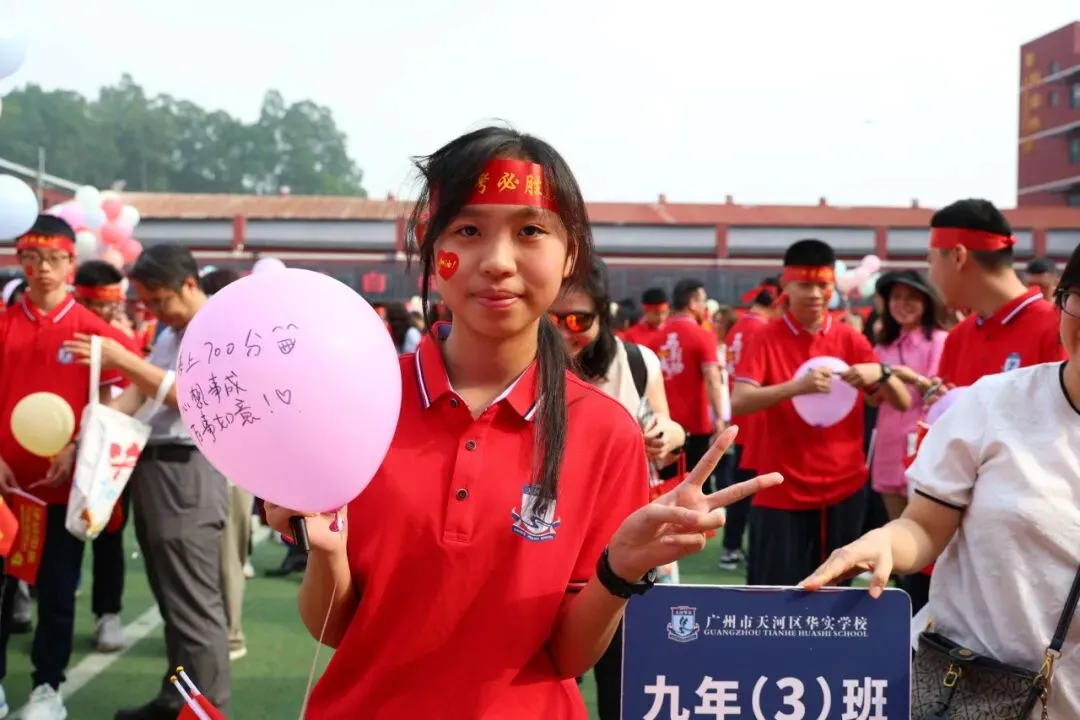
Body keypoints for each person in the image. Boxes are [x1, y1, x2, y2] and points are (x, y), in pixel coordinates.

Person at [263, 126, 781, 719]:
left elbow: (567, 657)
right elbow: (334, 629)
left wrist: (622, 570)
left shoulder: (606, 431)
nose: (498, 262)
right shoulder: (356, 400)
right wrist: (326, 552)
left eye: (530, 231)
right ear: (432, 251)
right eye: (467, 231)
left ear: (571, 256)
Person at [802, 242, 1080, 718]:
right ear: (1061, 302)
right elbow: (926, 525)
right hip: (969, 688)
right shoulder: (995, 403)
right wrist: (886, 541)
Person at [65, 244, 231, 719]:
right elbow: (141, 393)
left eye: (160, 300)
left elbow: (191, 398)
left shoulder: (218, 328)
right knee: (174, 602)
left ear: (190, 285)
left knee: (194, 608)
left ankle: (208, 710)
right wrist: (85, 436)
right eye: (147, 303)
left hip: (187, 468)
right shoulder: (174, 330)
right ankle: (178, 700)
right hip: (160, 468)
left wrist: (122, 357)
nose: (154, 311)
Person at [0, 216, 130, 720]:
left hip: (64, 489)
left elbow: (123, 396)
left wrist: (81, 443)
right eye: (32, 259)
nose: (44, 270)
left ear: (72, 262)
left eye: (55, 259)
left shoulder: (94, 331)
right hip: (5, 489)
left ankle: (46, 688)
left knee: (56, 590)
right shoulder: (5, 325)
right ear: (20, 262)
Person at [731, 238, 911, 587]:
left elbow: (898, 401)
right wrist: (797, 387)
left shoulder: (850, 339)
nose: (815, 294)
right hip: (781, 484)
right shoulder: (765, 337)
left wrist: (883, 374)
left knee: (835, 593)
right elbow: (740, 400)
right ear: (785, 285)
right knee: (776, 590)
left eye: (823, 285)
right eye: (805, 285)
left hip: (845, 484)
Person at [71, 259, 144, 654]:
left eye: (111, 303)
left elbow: (132, 392)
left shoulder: (120, 341)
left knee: (109, 534)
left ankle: (107, 613)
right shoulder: (64, 333)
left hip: (106, 452)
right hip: (55, 450)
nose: (104, 312)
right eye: (95, 304)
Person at [198, 267, 252, 661]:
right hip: (215, 463)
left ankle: (230, 633)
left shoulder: (241, 340)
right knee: (221, 551)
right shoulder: (206, 337)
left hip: (235, 465)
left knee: (229, 550)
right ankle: (221, 630)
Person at [717, 280, 776, 573]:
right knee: (755, 491)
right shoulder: (763, 330)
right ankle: (743, 550)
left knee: (739, 488)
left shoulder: (738, 327)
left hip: (741, 420)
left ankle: (730, 548)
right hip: (757, 420)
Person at [649, 279, 726, 485]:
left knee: (666, 486)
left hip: (663, 425)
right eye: (702, 301)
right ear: (692, 303)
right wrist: (719, 417)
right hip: (696, 426)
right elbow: (712, 378)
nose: (704, 307)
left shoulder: (656, 338)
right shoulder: (703, 336)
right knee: (695, 486)